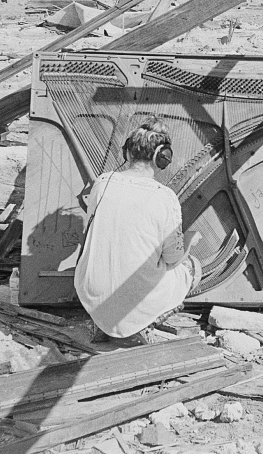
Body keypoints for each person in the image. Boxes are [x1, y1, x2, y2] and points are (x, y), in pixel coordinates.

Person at [74, 117, 202, 345]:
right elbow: (172, 259)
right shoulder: (165, 198)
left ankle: (104, 322)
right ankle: (141, 325)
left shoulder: (102, 183)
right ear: (163, 157)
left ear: (127, 153)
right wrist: (189, 245)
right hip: (134, 298)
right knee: (192, 267)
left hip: (91, 293)